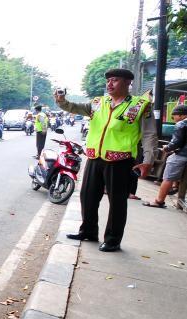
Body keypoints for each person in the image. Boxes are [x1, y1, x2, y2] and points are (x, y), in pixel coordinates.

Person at [56, 68, 158, 252]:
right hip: (95, 157)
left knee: (117, 202)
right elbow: (73, 107)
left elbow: (149, 135)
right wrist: (62, 101)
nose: (109, 84)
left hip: (120, 160)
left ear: (128, 83)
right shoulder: (98, 103)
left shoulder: (140, 105)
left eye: (115, 80)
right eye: (108, 80)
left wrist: (149, 159)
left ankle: (112, 239)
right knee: (87, 196)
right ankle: (88, 231)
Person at [143, 105, 187, 208]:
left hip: (182, 155)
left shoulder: (181, 124)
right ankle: (176, 186)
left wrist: (166, 148)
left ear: (181, 115)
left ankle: (159, 201)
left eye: (174, 116)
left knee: (168, 177)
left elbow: (176, 143)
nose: (174, 119)